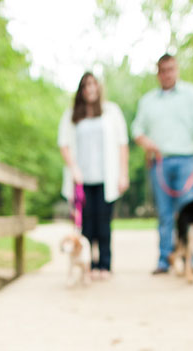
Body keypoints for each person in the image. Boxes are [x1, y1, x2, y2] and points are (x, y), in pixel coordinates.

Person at [132, 54, 193, 274]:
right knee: (165, 215)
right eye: (163, 70)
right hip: (160, 162)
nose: (167, 74)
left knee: (189, 214)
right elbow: (137, 131)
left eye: (171, 69)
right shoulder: (147, 101)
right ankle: (164, 259)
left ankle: (189, 259)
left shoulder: (192, 94)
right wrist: (148, 143)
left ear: (177, 70)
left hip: (188, 160)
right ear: (158, 73)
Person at [58, 72, 129, 279]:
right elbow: (64, 144)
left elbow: (122, 144)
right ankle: (86, 266)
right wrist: (74, 169)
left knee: (104, 224)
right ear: (81, 90)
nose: (90, 89)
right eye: (86, 85)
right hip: (81, 180)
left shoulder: (111, 111)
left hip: (106, 178)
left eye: (93, 84)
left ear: (98, 87)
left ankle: (104, 265)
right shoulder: (71, 114)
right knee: (85, 226)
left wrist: (123, 174)